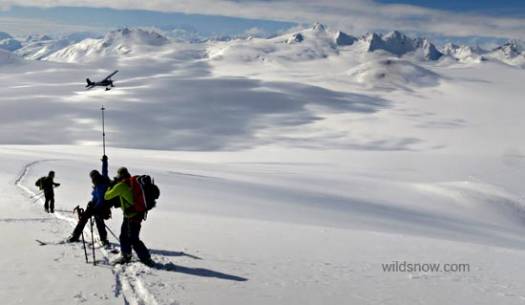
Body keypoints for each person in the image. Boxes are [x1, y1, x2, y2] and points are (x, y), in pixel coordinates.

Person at [104, 167, 154, 267]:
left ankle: (145, 258)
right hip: (136, 214)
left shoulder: (121, 186)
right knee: (125, 236)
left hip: (132, 216)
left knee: (133, 239)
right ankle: (127, 254)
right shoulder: (132, 182)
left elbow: (107, 196)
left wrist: (110, 187)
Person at [67, 155, 112, 247]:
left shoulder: (102, 183)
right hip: (98, 206)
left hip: (100, 207)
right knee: (97, 221)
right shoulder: (103, 180)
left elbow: (100, 199)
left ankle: (76, 235)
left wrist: (94, 207)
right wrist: (104, 161)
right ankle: (103, 239)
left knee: (85, 219)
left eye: (92, 176)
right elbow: (105, 170)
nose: (92, 178)